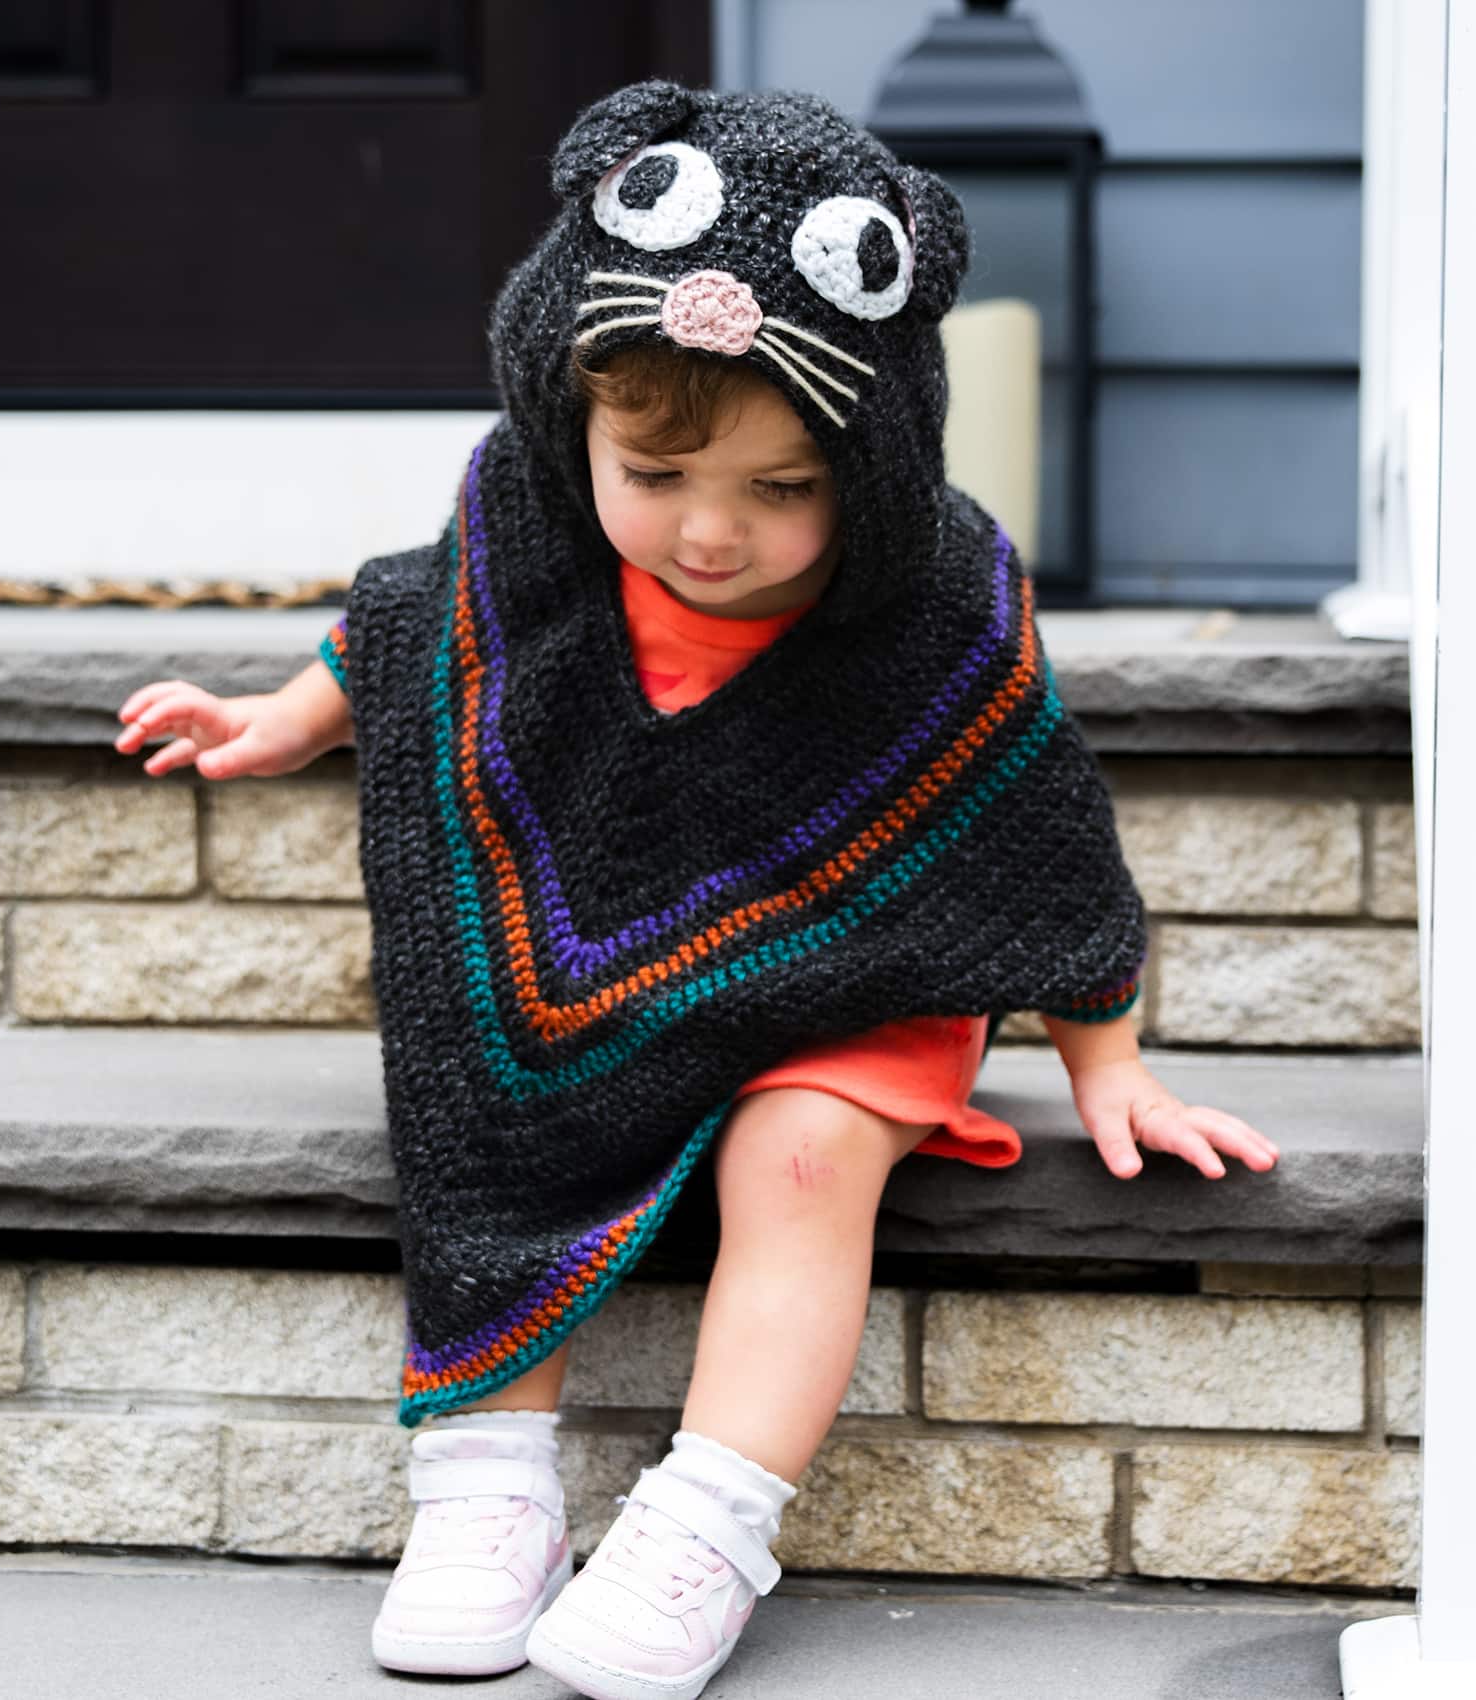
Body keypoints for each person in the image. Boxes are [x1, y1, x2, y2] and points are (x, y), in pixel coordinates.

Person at [114, 81, 1279, 1700]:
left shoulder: (937, 596)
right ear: (572, 419)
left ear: (869, 463)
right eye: (656, 473)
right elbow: (414, 625)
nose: (713, 533)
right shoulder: (526, 522)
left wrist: (1111, 1060)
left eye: (783, 489)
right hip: (597, 967)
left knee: (803, 1160)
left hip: (850, 968)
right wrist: (285, 720)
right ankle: (486, 1486)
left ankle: (706, 1523)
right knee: (482, 1077)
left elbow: (1036, 828)